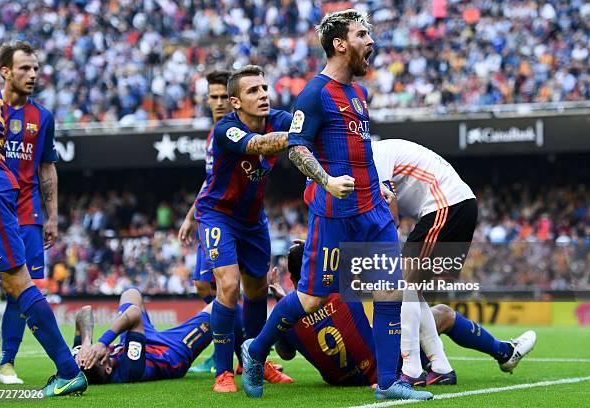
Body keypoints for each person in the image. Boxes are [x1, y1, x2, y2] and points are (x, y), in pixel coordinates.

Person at [241, 10, 432, 401]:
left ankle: (388, 381)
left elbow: (359, 151)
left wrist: (376, 182)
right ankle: (255, 351)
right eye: (362, 34)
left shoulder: (360, 95)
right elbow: (297, 146)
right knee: (311, 299)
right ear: (340, 44)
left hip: (373, 212)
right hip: (333, 215)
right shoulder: (313, 94)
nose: (371, 41)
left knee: (389, 291)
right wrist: (326, 181)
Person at [371, 138, 536, 385]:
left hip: (446, 206)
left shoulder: (373, 155)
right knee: (412, 292)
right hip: (456, 205)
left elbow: (391, 217)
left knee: (403, 288)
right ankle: (440, 367)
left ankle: (412, 372)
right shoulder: (377, 152)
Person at [273, 242, 536, 386]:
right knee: (441, 313)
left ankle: (439, 362)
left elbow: (286, 354)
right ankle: (504, 352)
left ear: (291, 277)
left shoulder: (284, 314)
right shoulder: (338, 289)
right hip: (383, 367)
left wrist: (282, 301)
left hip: (340, 380)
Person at [0, 57, 86, 396]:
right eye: (26, 67)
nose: (34, 74)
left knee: (16, 282)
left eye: (36, 68)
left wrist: (51, 215)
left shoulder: (39, 115)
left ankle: (67, 370)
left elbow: (46, 167)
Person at [193, 65, 293, 392]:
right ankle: (223, 372)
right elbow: (259, 146)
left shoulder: (279, 118)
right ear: (236, 102)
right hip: (218, 214)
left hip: (253, 220)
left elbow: (309, 131)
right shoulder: (226, 129)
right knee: (228, 284)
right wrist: (298, 136)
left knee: (256, 290)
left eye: (264, 88)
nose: (263, 94)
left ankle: (252, 361)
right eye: (253, 91)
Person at [179, 70, 232, 374]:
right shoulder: (213, 134)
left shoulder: (234, 130)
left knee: (225, 287)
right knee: (203, 284)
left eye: (224, 96)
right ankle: (222, 348)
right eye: (214, 97)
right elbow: (209, 181)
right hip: (208, 217)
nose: (219, 102)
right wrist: (189, 216)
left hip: (226, 220)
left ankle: (236, 352)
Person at [74, 287, 212, 383]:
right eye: (96, 355)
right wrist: (102, 343)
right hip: (171, 353)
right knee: (219, 309)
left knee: (131, 293)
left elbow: (84, 312)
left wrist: (86, 344)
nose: (92, 352)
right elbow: (134, 313)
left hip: (141, 342)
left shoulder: (80, 361)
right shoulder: (129, 370)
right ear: (108, 369)